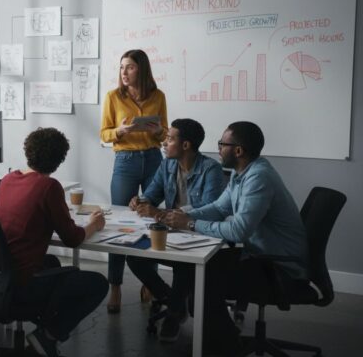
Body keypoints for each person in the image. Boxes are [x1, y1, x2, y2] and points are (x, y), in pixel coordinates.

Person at [163, 121, 308, 355]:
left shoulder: (259, 178)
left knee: (204, 281)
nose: (218, 148)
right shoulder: (242, 173)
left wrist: (190, 223)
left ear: (238, 151)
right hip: (259, 255)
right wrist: (182, 214)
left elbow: (239, 231)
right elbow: (220, 208)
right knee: (195, 270)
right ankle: (223, 339)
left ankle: (225, 346)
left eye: (222, 144)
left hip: (279, 267)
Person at [0, 127, 109, 357]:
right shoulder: (49, 187)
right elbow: (73, 238)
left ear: (28, 151)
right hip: (22, 284)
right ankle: (47, 336)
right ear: (59, 161)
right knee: (98, 283)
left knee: (53, 262)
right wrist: (94, 225)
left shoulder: (8, 179)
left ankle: (44, 331)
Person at [125, 118, 226, 342]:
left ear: (186, 145)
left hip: (199, 233)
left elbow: (211, 210)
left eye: (170, 139)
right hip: (172, 231)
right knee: (133, 255)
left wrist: (161, 214)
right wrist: (140, 201)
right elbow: (152, 194)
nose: (164, 143)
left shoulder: (212, 169)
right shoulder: (167, 164)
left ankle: (172, 314)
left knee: (183, 263)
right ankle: (172, 301)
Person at [99, 49, 168, 313]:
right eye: (121, 67)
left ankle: (148, 281)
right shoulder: (113, 97)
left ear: (141, 69)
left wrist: (158, 131)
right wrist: (120, 131)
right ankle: (115, 286)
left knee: (150, 219)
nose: (124, 73)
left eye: (129, 67)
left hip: (153, 159)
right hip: (125, 160)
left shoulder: (158, 96)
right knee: (119, 222)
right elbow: (104, 134)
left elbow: (165, 134)